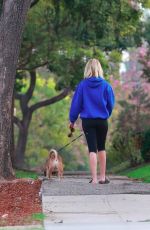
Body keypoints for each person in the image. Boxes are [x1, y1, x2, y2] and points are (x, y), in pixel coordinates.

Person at [69, 58, 115, 184]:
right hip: (102, 121)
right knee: (101, 147)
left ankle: (94, 179)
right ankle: (103, 178)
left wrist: (72, 120)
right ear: (99, 69)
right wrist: (106, 114)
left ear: (87, 69)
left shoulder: (82, 85)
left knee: (92, 149)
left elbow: (76, 104)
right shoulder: (106, 85)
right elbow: (111, 104)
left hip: (88, 121)